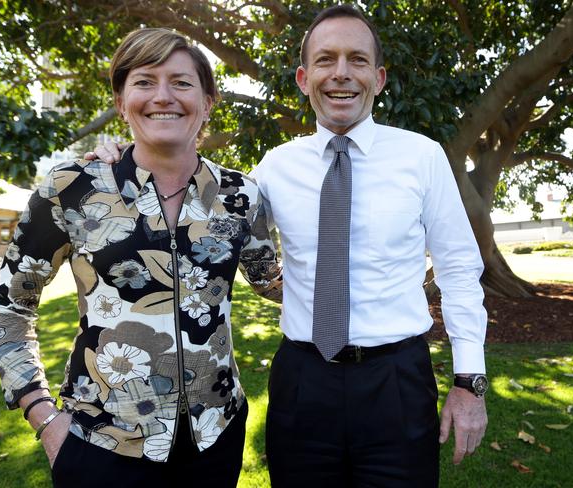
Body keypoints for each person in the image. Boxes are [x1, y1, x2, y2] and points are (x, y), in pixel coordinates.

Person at [89, 5, 488, 487]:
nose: (341, 73)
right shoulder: (273, 168)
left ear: (379, 78)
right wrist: (123, 158)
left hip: (397, 382)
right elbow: (201, 200)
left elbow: (460, 269)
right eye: (326, 60)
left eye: (357, 60)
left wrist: (470, 382)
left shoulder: (422, 157)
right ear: (303, 77)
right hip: (303, 381)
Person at [0, 27, 281, 488]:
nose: (164, 96)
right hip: (101, 442)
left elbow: (273, 283)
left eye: (181, 82)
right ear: (121, 101)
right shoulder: (72, 189)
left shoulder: (241, 195)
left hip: (215, 436)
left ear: (208, 101)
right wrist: (43, 417)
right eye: (144, 82)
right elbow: (8, 305)